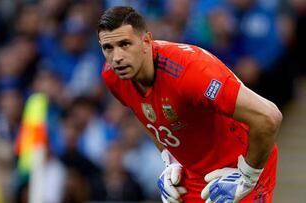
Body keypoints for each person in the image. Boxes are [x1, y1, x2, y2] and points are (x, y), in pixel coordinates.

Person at [97, 6, 282, 203]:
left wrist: (249, 175)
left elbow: (269, 117)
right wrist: (169, 157)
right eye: (108, 48)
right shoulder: (113, 75)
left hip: (239, 168)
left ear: (146, 41)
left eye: (125, 44)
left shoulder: (190, 71)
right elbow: (144, 111)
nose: (117, 57)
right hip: (192, 173)